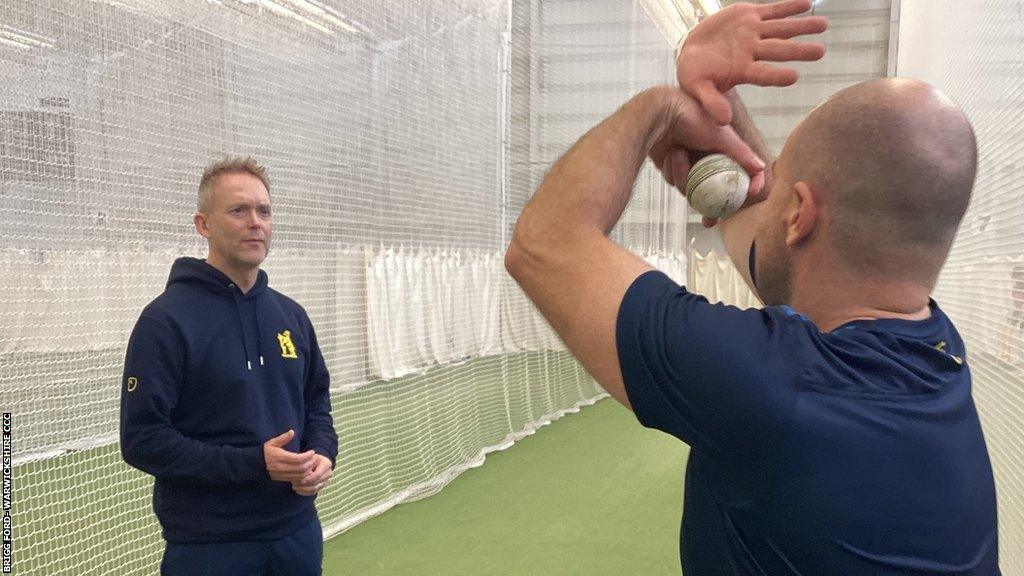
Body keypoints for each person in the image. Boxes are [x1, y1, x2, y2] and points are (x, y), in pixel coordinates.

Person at [504, 1, 1000, 574]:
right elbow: (782, 257)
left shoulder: (774, 386)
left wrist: (658, 111)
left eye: (781, 175)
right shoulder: (938, 348)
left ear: (799, 214)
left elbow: (543, 242)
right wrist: (720, 103)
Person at [120, 157, 338, 576]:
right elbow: (142, 439)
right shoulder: (165, 321)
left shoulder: (291, 316)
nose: (255, 222)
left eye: (264, 211)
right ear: (203, 224)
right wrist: (255, 463)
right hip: (209, 544)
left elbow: (317, 403)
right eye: (239, 210)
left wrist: (323, 455)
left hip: (296, 534)